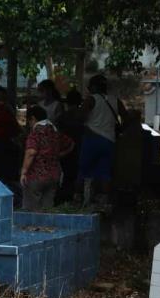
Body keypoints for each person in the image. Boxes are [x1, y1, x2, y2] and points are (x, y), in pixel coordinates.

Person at [79, 74, 128, 206]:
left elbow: (81, 117)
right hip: (109, 142)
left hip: (91, 139)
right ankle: (104, 203)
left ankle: (86, 200)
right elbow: (126, 118)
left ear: (94, 87)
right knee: (105, 173)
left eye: (89, 87)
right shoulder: (115, 101)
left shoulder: (91, 100)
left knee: (86, 171)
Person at [20, 106, 74, 211]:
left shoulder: (36, 133)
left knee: (32, 210)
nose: (29, 124)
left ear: (33, 118)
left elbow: (31, 152)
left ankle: (33, 226)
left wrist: (24, 171)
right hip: (54, 176)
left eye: (29, 121)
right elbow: (71, 144)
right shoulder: (55, 131)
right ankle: (47, 227)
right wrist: (58, 155)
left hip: (36, 175)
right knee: (48, 209)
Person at [0, 86, 22, 187]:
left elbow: (16, 129)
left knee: (5, 174)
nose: (0, 102)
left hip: (5, 145)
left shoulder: (7, 112)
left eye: (3, 99)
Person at [56, 88, 85, 203]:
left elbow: (58, 133)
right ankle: (76, 197)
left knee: (67, 175)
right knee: (79, 174)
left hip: (65, 150)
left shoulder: (63, 117)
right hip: (81, 148)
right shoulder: (83, 117)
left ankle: (64, 197)